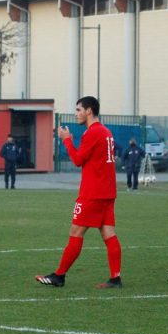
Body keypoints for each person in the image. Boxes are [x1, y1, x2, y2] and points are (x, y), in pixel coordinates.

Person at [35, 96, 123, 288]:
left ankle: (59, 276)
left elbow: (77, 159)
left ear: (89, 110)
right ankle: (116, 278)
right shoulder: (106, 132)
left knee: (76, 231)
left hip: (93, 192)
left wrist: (67, 141)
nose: (76, 114)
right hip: (107, 191)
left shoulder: (93, 133)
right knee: (108, 232)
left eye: (78, 110)